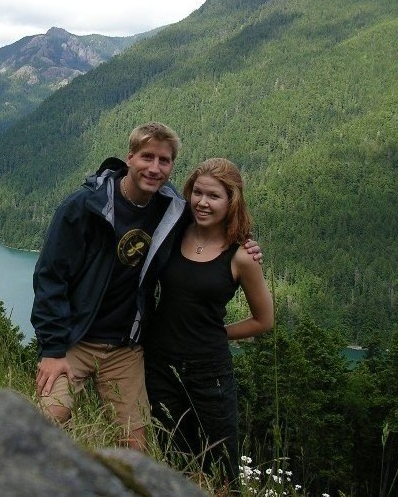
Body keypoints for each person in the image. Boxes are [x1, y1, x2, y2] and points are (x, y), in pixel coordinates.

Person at [31, 124, 261, 450]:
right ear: (130, 158)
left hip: (126, 347)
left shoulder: (171, 211)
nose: (154, 168)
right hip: (75, 339)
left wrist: (246, 244)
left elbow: (212, 224)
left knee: (136, 449)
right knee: (50, 416)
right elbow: (50, 278)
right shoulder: (84, 207)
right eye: (147, 157)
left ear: (171, 167)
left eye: (164, 160)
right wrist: (52, 350)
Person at [143, 157, 274, 486]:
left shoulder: (242, 255)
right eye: (197, 193)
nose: (202, 202)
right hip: (159, 366)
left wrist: (218, 335)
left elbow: (264, 320)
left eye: (213, 196)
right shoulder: (172, 233)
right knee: (173, 461)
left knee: (220, 471)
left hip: (209, 373)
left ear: (232, 201)